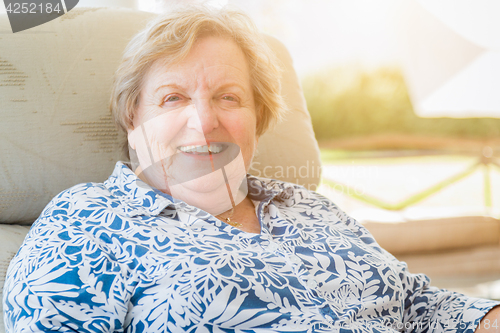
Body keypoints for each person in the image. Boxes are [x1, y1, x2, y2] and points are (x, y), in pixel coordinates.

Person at [3, 6, 499, 333]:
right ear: (133, 120)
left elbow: (420, 306)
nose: (204, 122)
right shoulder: (85, 222)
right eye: (172, 97)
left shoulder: (308, 206)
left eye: (229, 97)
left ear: (257, 123)